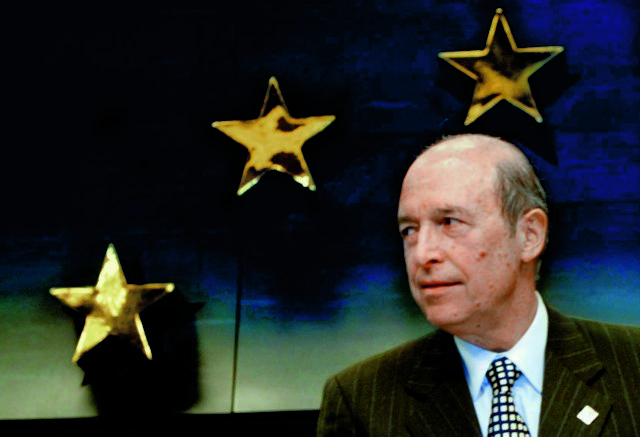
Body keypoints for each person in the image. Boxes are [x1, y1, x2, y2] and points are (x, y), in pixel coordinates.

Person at [317, 134, 640, 436]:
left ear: (529, 235)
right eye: (409, 230)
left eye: (449, 222)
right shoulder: (361, 400)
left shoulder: (632, 365)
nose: (423, 253)